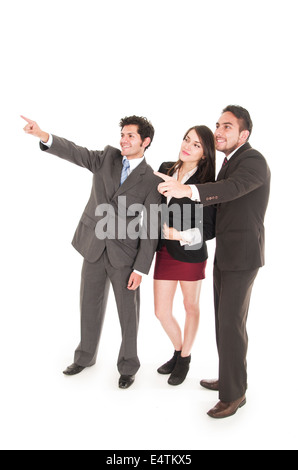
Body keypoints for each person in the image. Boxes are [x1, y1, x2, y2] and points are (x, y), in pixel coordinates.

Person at [21, 114, 162, 389]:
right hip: (94, 247)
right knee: (88, 304)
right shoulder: (107, 158)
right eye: (122, 134)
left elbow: (151, 228)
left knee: (128, 315)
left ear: (145, 142)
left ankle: (128, 365)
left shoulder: (151, 180)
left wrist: (141, 268)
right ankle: (85, 357)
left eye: (130, 135)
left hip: (125, 256)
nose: (123, 139)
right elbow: (76, 152)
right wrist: (43, 135)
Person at [155, 105, 271, 418]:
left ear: (243, 134)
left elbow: (229, 190)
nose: (219, 131)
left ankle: (233, 396)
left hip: (242, 257)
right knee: (225, 323)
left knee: (231, 325)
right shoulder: (229, 163)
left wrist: (186, 189)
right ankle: (231, 379)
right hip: (228, 254)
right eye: (218, 125)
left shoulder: (253, 160)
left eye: (228, 127)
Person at [154, 125, 216, 386]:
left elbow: (210, 229)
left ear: (204, 154)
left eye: (196, 144)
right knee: (161, 312)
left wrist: (177, 235)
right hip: (165, 252)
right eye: (186, 139)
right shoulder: (166, 168)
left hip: (191, 252)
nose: (187, 146)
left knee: (190, 307)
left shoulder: (207, 183)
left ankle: (185, 358)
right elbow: (153, 208)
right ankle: (179, 351)